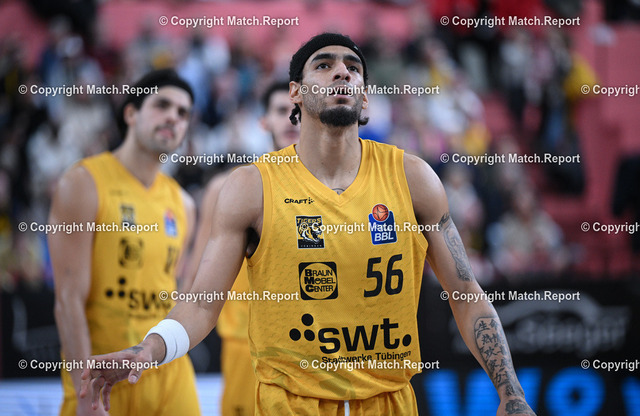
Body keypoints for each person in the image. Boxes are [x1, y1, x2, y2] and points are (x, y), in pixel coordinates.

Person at [80, 33, 536, 416]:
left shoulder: (413, 178)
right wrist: (148, 350)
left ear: (365, 95)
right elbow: (201, 305)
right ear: (295, 92)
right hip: (289, 403)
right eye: (324, 65)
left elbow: (467, 294)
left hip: (390, 401)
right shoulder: (253, 186)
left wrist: (511, 392)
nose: (342, 73)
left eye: (353, 67)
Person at [49, 69, 201, 415]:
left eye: (183, 113)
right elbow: (68, 299)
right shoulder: (82, 183)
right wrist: (84, 395)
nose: (173, 117)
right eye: (162, 105)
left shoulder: (184, 204)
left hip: (169, 376)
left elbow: (176, 293)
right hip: (102, 377)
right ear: (131, 113)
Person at [184, 81, 300, 416]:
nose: (290, 119)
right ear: (263, 121)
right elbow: (196, 270)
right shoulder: (228, 188)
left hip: (308, 347)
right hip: (244, 345)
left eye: (298, 112)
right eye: (281, 110)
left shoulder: (330, 190)